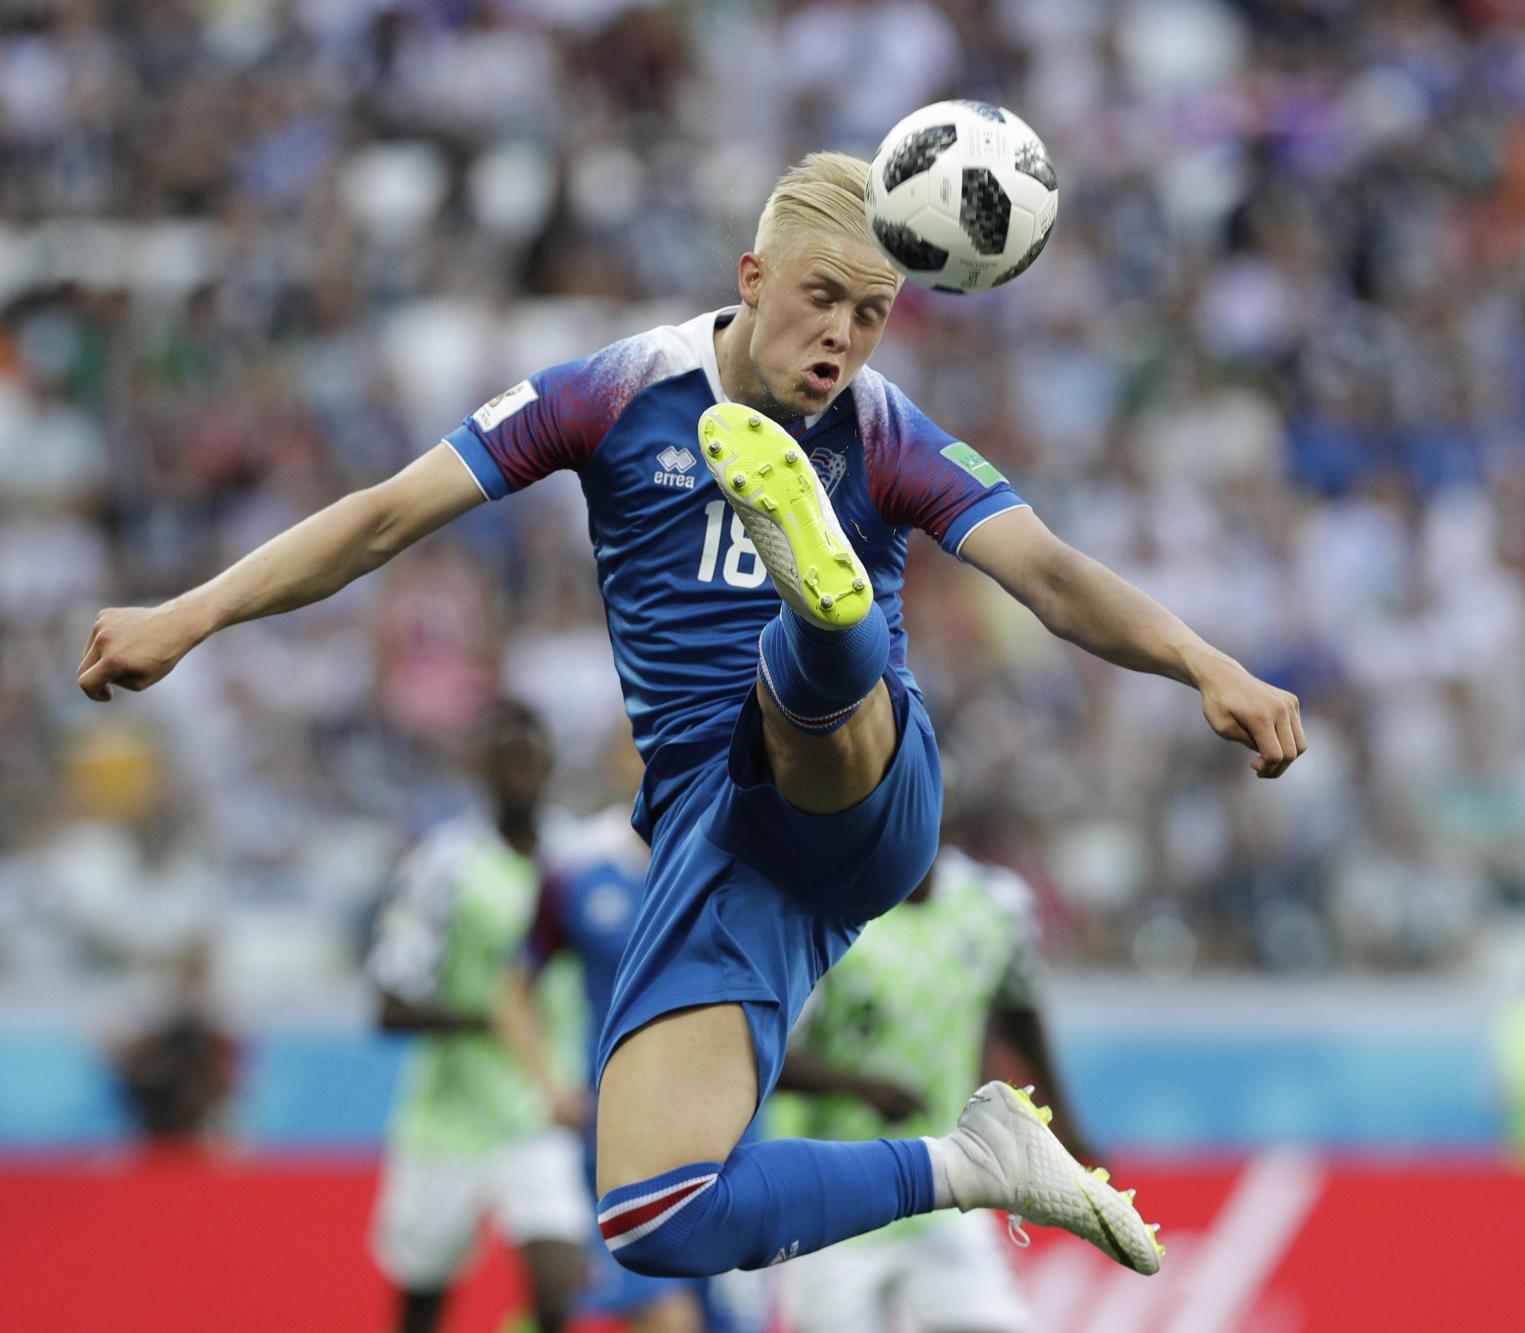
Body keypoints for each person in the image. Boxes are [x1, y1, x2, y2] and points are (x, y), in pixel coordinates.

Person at [76, 151, 1305, 1282]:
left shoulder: (883, 431)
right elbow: (386, 514)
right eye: (821, 297)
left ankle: (820, 610)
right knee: (656, 1214)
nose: (841, 336)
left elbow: (1046, 572)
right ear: (751, 275)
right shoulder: (611, 392)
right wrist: (190, 614)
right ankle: (972, 1163)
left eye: (870, 316)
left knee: (811, 663)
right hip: (721, 846)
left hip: (870, 781)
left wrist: (1205, 664)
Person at [767, 839, 1090, 1333]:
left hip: (946, 1189)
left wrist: (1065, 1124)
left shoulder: (993, 903)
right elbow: (769, 1058)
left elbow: (1019, 1008)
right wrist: (860, 1087)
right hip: (835, 1204)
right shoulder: (826, 913)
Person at [493, 741, 760, 1333]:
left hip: (735, 1134)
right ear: (624, 758)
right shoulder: (577, 874)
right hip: (626, 1134)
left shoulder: (743, 866)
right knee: (662, 1310)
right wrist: (550, 1085)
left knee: (730, 1319)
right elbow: (512, 992)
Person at [365, 701, 588, 1333]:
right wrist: (495, 1022)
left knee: (555, 1286)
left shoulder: (578, 857)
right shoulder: (444, 863)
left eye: (528, 756)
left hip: (541, 1107)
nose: (518, 771)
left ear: (548, 763)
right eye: (503, 758)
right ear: (480, 769)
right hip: (449, 1118)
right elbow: (390, 1005)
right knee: (423, 1300)